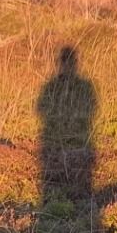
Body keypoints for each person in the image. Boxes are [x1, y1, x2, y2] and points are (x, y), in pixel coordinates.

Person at [36, 45, 97, 208]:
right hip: (61, 145)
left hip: (74, 145)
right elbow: (41, 109)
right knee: (58, 185)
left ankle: (70, 212)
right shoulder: (55, 86)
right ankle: (63, 211)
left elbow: (41, 109)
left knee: (76, 186)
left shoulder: (58, 86)